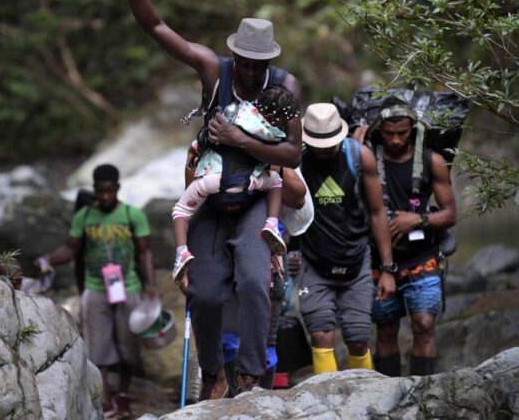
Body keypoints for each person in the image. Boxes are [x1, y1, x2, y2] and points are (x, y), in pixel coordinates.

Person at [116, 0, 303, 398]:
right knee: (204, 291)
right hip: (212, 197)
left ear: (270, 62)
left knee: (256, 282)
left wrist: (241, 139)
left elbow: (293, 154)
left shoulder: (284, 87)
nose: (253, 72)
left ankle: (251, 375)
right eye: (247, 63)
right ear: (234, 55)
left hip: (257, 195)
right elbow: (157, 28)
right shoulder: (213, 71)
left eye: (261, 65)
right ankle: (214, 371)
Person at [34, 164, 158, 419]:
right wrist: (48, 258)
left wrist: (151, 286)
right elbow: (71, 249)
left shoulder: (132, 215)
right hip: (95, 289)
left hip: (128, 288)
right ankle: (106, 400)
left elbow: (145, 252)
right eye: (100, 192)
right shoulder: (85, 217)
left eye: (110, 191)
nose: (104, 197)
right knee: (98, 351)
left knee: (128, 348)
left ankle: (123, 396)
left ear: (117, 189)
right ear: (94, 190)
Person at [297, 103, 396, 374]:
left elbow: (377, 212)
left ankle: (362, 401)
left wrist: (387, 269)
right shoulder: (297, 160)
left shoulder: (359, 156)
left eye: (330, 143)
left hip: (356, 258)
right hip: (313, 260)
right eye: (318, 144)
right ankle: (325, 405)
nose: (325, 149)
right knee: (320, 334)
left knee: (358, 337)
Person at [365, 98, 457, 377]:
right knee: (387, 327)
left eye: (402, 133)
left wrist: (417, 219)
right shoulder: (367, 157)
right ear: (379, 129)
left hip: (423, 256)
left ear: (413, 130)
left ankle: (425, 395)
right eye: (389, 133)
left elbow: (451, 214)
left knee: (425, 324)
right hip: (378, 261)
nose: (395, 140)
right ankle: (387, 396)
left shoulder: (433, 160)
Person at [172, 85, 301, 283]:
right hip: (248, 182)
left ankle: (181, 252)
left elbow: (202, 142)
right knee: (275, 182)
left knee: (181, 211)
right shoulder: (271, 133)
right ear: (275, 118)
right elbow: (286, 154)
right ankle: (272, 223)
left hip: (211, 179)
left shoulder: (235, 111)